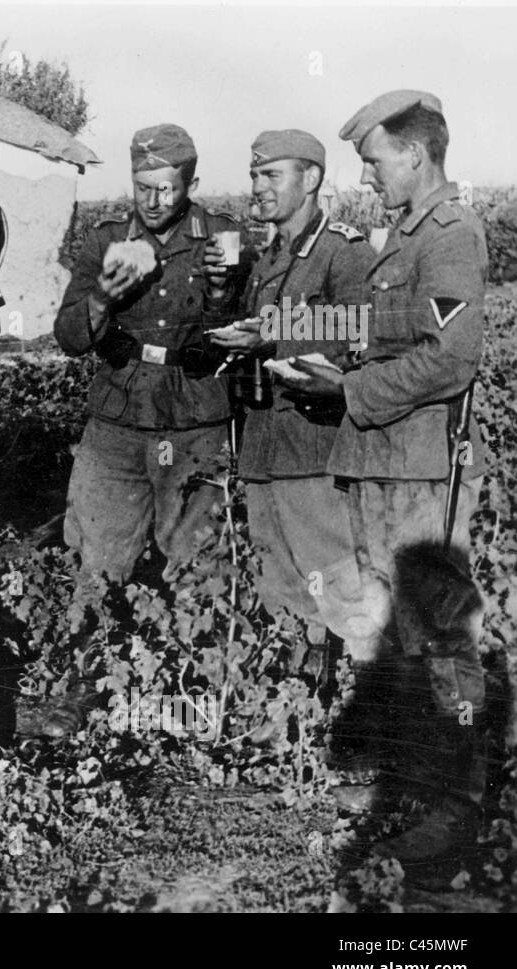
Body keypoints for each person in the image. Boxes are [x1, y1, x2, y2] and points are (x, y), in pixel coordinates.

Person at [277, 91, 490, 862]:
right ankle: (409, 774)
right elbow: (388, 333)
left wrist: (348, 391)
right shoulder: (403, 234)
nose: (366, 177)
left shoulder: (451, 235)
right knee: (385, 624)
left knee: (439, 635)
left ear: (416, 153)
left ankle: (458, 802)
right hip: (376, 459)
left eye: (373, 162)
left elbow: (451, 359)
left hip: (420, 466)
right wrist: (320, 357)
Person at [43, 124, 246, 736]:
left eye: (167, 188)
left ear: (191, 183)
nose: (154, 201)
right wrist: (102, 299)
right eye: (143, 187)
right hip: (120, 418)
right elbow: (70, 337)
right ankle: (82, 685)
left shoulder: (223, 241)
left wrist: (220, 289)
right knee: (99, 556)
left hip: (193, 416)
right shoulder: (104, 239)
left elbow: (239, 334)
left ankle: (193, 693)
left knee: (195, 557)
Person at [208, 130, 377, 673]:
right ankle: (299, 705)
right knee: (280, 583)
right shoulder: (270, 254)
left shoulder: (341, 250)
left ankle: (369, 703)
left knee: (336, 580)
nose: (257, 187)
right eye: (255, 175)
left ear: (311, 180)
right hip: (264, 445)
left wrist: (271, 335)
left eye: (271, 175)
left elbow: (359, 331)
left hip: (313, 445)